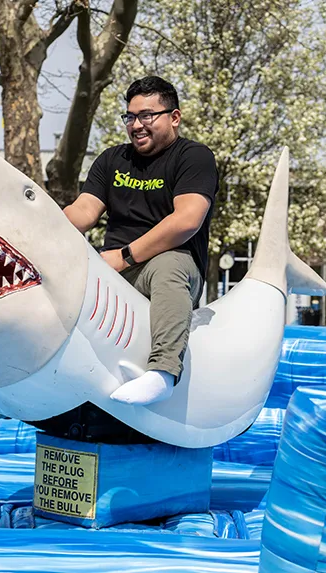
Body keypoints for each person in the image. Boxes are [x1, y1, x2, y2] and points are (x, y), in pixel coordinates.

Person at [63, 75, 218, 407]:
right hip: (112, 267)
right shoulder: (111, 159)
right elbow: (84, 211)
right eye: (130, 117)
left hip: (167, 266)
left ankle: (163, 372)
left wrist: (124, 257)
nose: (136, 125)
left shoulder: (194, 157)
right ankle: (16, 380)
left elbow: (187, 221)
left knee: (168, 264)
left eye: (146, 115)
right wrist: (44, 220)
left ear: (174, 117)